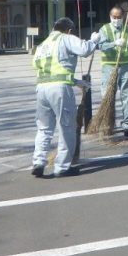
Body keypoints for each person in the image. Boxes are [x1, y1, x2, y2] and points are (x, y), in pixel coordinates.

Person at [31, 17, 99, 178]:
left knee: (44, 128)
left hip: (41, 89)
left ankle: (38, 162)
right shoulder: (66, 38)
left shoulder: (42, 45)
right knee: (66, 127)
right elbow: (84, 50)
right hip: (60, 90)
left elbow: (50, 69)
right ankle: (62, 167)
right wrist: (93, 41)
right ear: (68, 30)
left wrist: (76, 81)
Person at [96, 5, 128, 137]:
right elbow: (101, 46)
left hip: (126, 66)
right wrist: (114, 43)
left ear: (123, 17)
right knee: (107, 96)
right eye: (114, 17)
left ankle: (127, 124)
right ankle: (107, 123)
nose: (116, 19)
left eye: (119, 17)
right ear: (110, 17)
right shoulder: (104, 29)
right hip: (109, 67)